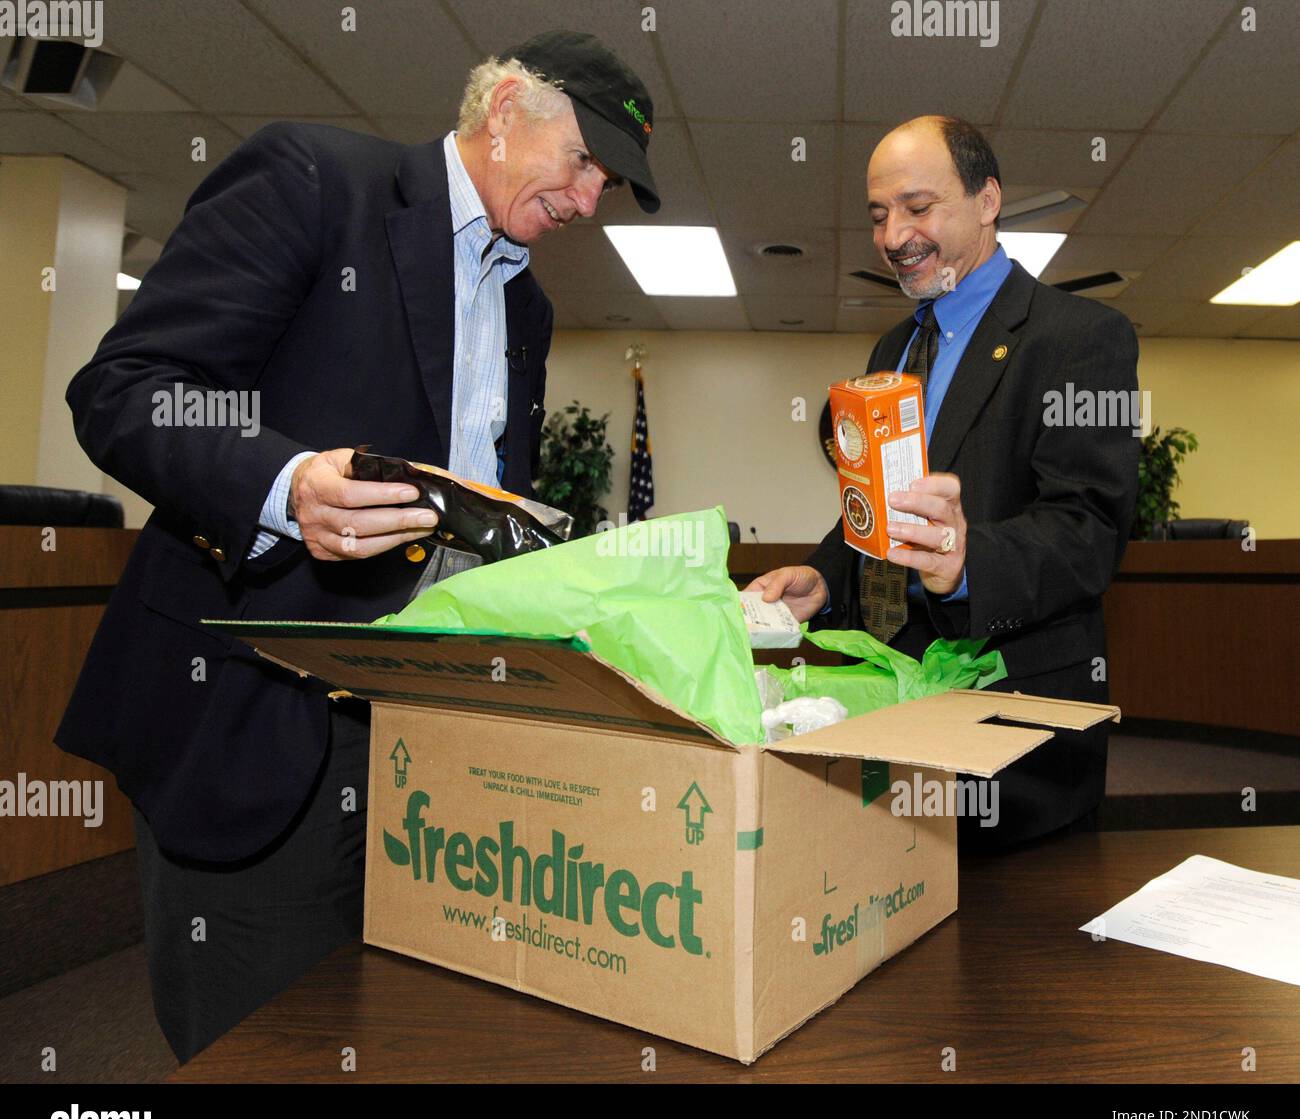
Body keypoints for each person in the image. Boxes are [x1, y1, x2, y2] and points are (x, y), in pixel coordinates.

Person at [54, 30, 660, 1063]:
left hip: (418, 758)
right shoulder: (314, 181)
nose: (590, 201)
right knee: (256, 1044)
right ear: (505, 108)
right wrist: (284, 486)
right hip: (252, 718)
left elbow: (472, 511)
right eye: (585, 162)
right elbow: (125, 389)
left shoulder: (529, 305)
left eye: (608, 181)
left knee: (386, 1040)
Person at [750, 116, 1139, 852]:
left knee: (1004, 960)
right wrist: (824, 578)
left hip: (1013, 735)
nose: (894, 235)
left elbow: (1089, 531)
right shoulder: (893, 348)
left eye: (918, 207)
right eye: (878, 215)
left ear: (987, 200)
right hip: (885, 722)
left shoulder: (1082, 338)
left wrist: (969, 562)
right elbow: (881, 516)